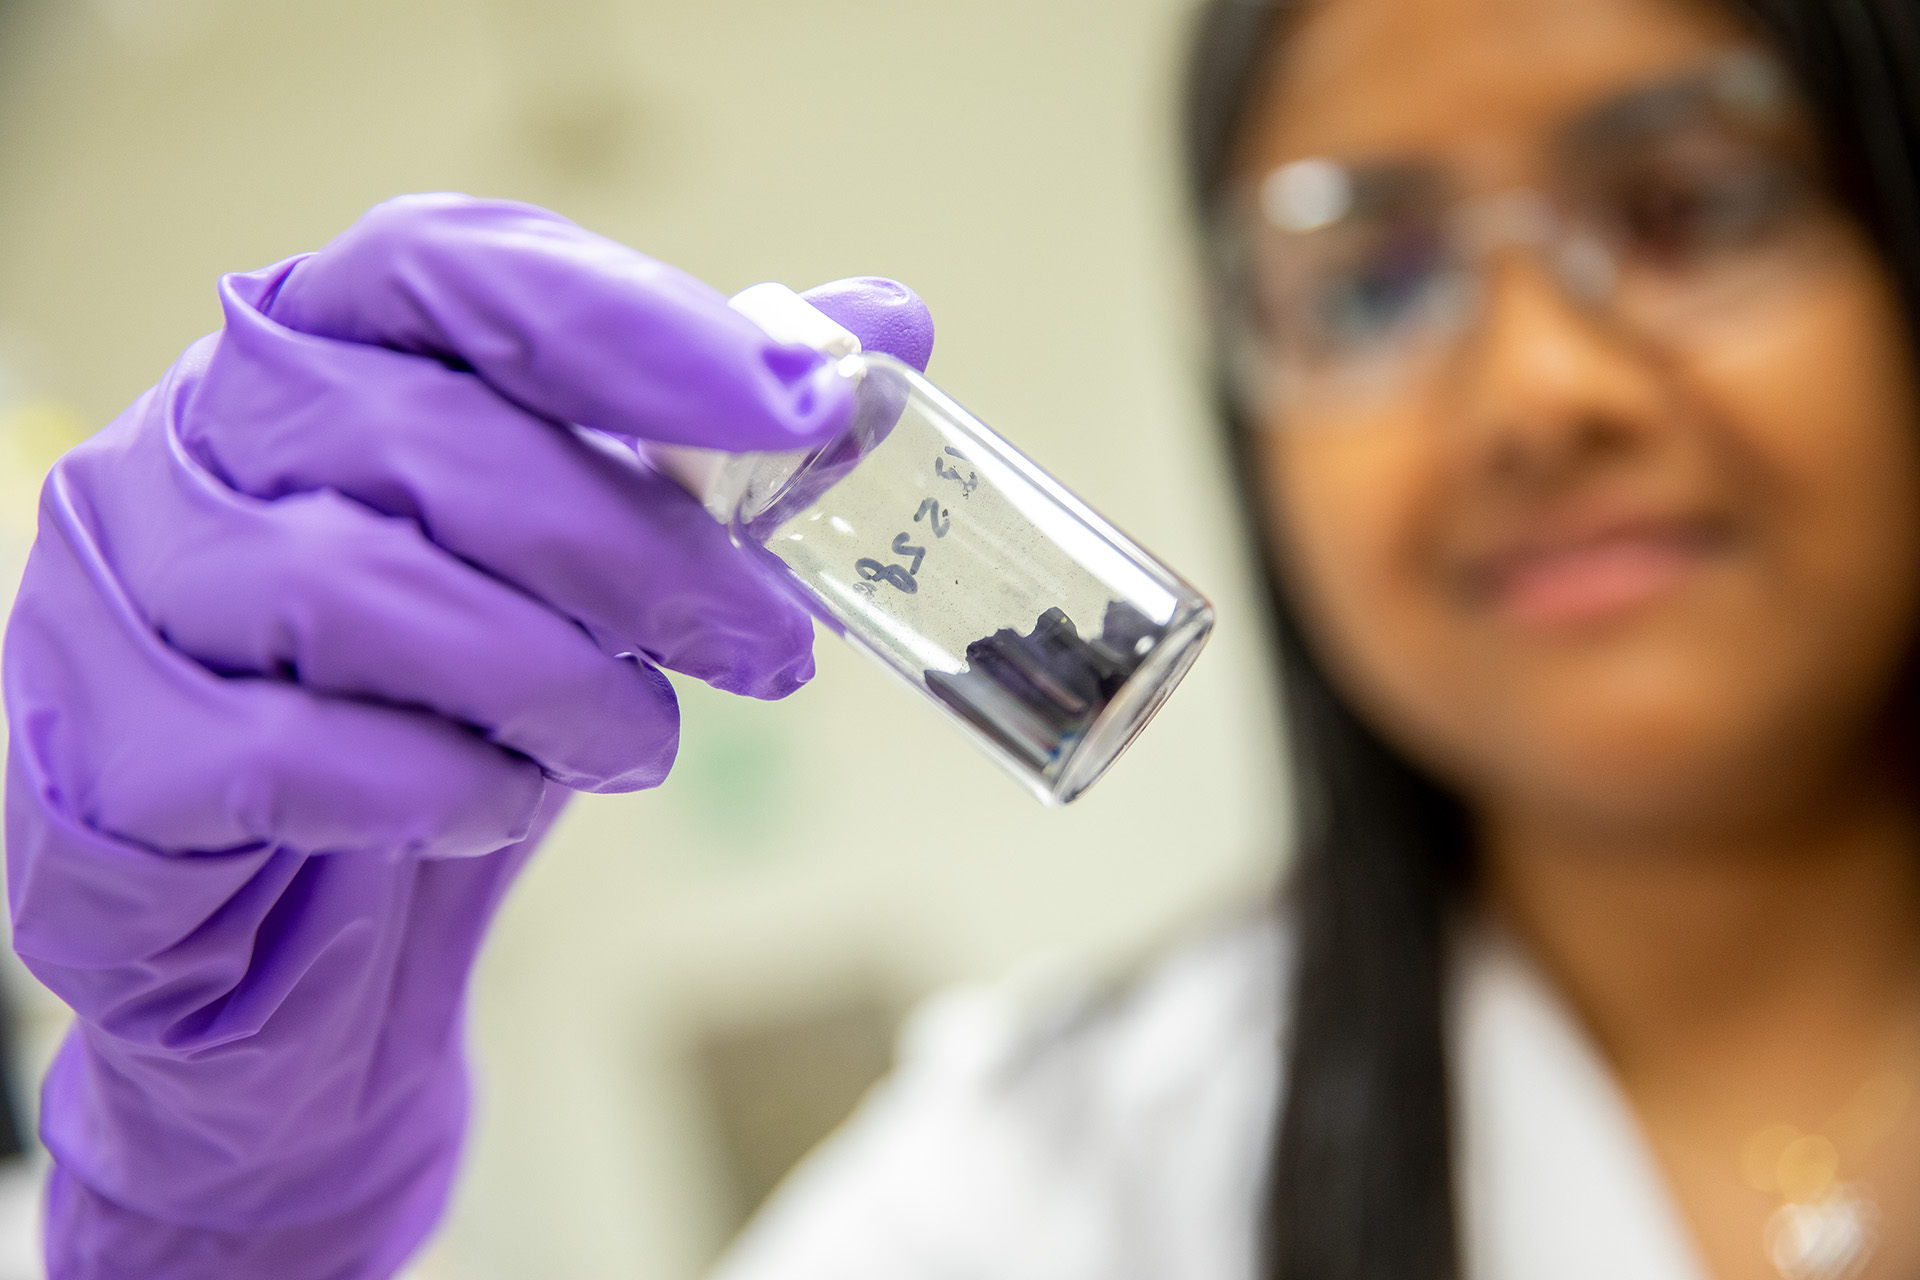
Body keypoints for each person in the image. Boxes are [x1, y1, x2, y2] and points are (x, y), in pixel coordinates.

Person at [5, 0, 1920, 1279]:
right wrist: (210, 1241)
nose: (1539, 389)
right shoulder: (1032, 1197)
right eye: (1377, 275)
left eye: (1688, 206)